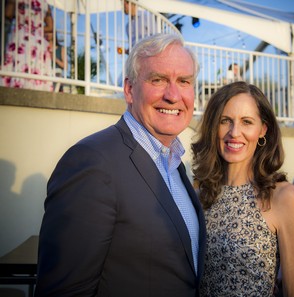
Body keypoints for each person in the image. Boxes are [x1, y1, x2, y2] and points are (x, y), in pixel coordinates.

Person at [35, 33, 206, 297]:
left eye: (184, 81)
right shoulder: (92, 162)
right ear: (129, 89)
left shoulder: (174, 163)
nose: (173, 95)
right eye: (158, 80)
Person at [192, 81, 294, 297]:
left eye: (247, 122)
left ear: (263, 129)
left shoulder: (283, 197)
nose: (234, 133)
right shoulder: (199, 196)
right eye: (225, 121)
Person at [0, 0, 53, 91]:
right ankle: (36, 88)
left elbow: (8, 14)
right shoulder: (45, 3)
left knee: (19, 61)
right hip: (37, 38)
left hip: (20, 35)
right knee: (36, 63)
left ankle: (16, 86)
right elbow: (50, 26)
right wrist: (36, 28)